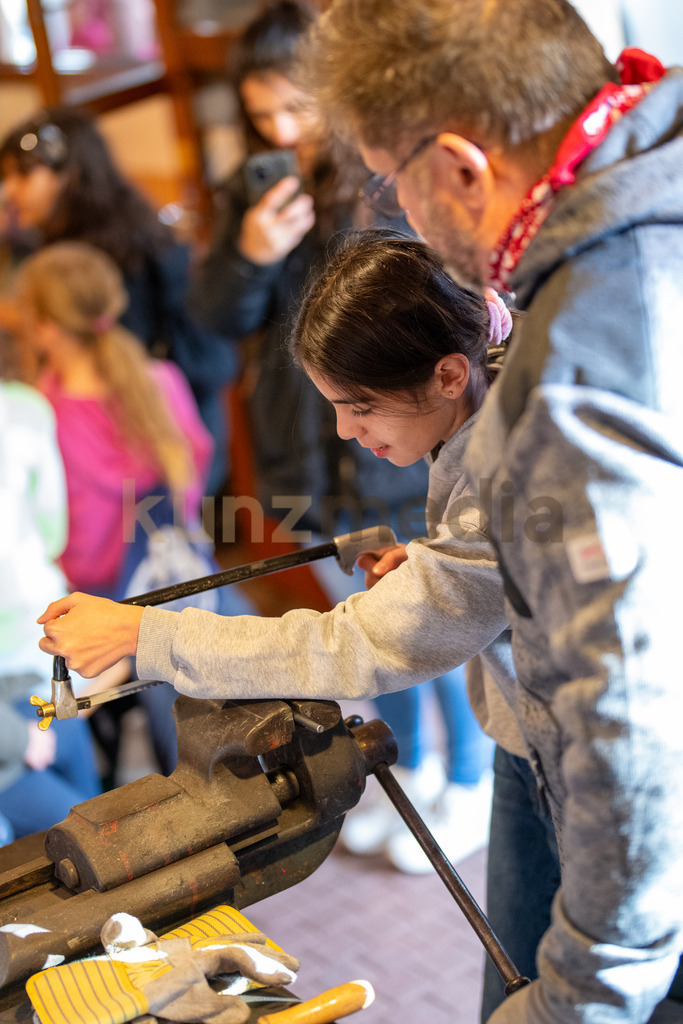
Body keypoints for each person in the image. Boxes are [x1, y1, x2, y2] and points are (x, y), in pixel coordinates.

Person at [37, 232, 555, 1008]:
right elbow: (496, 559)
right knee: (520, 970)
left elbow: (364, 643)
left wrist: (145, 636)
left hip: (577, 756)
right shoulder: (491, 388)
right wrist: (438, 563)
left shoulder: (510, 460)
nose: (345, 429)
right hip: (530, 740)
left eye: (359, 406)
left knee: (554, 986)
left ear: (449, 374)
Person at [295, 2, 682, 1022]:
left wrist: (578, 994)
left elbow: (630, 717)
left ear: (461, 167)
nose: (406, 217)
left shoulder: (577, 362)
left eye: (393, 182)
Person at [190, 0, 494, 868]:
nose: (283, 132)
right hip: (312, 455)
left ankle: (468, 777)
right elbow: (215, 319)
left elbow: (429, 313)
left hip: (397, 449)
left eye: (296, 108)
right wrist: (250, 253)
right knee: (366, 615)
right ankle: (415, 765)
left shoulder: (387, 182)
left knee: (433, 610)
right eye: (262, 116)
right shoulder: (256, 188)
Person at [14, 240, 250, 778]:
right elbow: (194, 480)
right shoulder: (161, 382)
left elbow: (55, 540)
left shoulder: (41, 414)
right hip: (180, 582)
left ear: (45, 328)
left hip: (97, 603)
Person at [0, 105, 236, 495]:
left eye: (22, 176)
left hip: (154, 433)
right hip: (176, 419)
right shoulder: (123, 223)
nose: (10, 191)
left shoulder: (100, 257)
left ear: (68, 175)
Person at [0, 357, 101, 837]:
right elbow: (53, 533)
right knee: (91, 825)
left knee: (89, 824)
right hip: (39, 644)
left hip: (27, 663)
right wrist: (16, 739)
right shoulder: (24, 408)